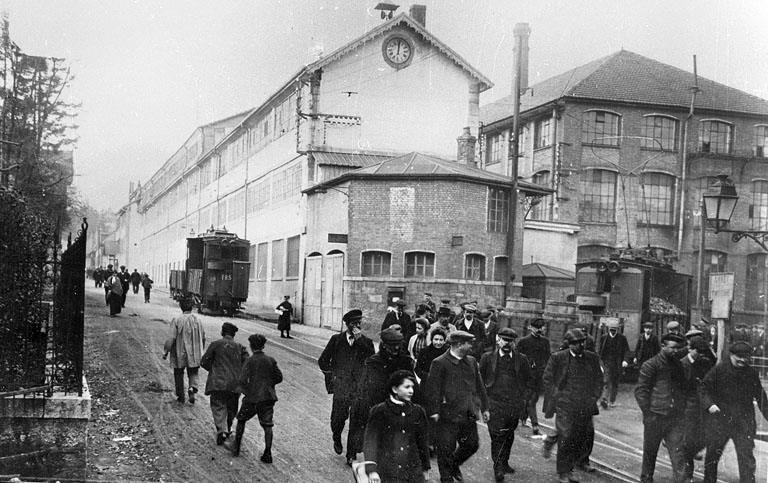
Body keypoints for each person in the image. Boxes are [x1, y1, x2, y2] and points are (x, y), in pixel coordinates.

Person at [425, 330, 489, 483]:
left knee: (472, 445)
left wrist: (485, 407)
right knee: (445, 450)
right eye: (469, 343)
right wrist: (434, 411)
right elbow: (432, 390)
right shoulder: (439, 363)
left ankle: (454, 464)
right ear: (459, 344)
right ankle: (447, 479)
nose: (472, 346)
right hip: (448, 416)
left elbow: (480, 386)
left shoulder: (472, 361)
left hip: (468, 413)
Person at [700, 341, 768, 483]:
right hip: (720, 421)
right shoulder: (719, 370)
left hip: (743, 423)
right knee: (713, 455)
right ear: (731, 355)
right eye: (739, 357)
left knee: (746, 457)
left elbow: (761, 398)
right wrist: (710, 404)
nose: (743, 360)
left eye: (746, 357)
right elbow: (703, 389)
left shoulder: (751, 373)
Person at [542, 329, 603, 483]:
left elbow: (599, 379)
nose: (581, 345)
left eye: (582, 342)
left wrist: (594, 396)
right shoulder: (558, 358)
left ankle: (573, 465)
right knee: (566, 436)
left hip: (585, 404)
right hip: (565, 404)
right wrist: (558, 396)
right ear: (569, 344)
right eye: (576, 343)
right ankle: (564, 471)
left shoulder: (591, 358)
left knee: (582, 436)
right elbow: (547, 379)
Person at [347, 327, 415, 466]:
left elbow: (411, 382)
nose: (396, 349)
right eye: (392, 346)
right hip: (374, 400)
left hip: (397, 401)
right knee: (361, 423)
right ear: (384, 345)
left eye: (398, 345)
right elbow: (371, 386)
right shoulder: (374, 362)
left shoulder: (405, 361)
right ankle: (352, 452)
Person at [318, 309, 375, 458]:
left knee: (356, 421)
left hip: (358, 387)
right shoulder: (336, 339)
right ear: (347, 324)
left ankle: (351, 454)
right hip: (341, 385)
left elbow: (372, 360)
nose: (357, 326)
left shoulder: (366, 342)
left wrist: (360, 340)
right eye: (354, 323)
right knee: (338, 418)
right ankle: (336, 436)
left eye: (359, 323)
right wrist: (332, 377)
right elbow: (323, 360)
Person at [479, 328, 534, 482]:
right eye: (504, 340)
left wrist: (525, 402)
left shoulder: (521, 359)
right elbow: (479, 381)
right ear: (498, 340)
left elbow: (530, 381)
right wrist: (483, 405)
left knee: (509, 434)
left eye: (510, 341)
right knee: (497, 435)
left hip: (514, 404)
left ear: (514, 342)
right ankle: (498, 468)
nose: (507, 343)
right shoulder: (487, 358)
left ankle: (504, 462)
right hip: (494, 403)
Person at [634, 332, 687, 483]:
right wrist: (648, 413)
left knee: (678, 451)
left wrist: (681, 409)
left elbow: (682, 388)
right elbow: (640, 392)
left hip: (674, 417)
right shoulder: (651, 365)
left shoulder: (677, 364)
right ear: (663, 346)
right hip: (655, 416)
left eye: (678, 348)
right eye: (672, 348)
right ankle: (646, 478)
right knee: (650, 452)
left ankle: (681, 480)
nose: (675, 351)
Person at [224, 334, 283, 463]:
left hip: (252, 398)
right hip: (268, 397)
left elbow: (242, 379)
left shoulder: (250, 361)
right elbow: (279, 377)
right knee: (267, 425)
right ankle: (267, 453)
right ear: (263, 346)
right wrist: (268, 384)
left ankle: (236, 447)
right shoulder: (270, 360)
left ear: (251, 346)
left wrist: (247, 389)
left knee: (241, 420)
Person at [363, 370, 430, 483]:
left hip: (412, 471)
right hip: (387, 470)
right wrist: (372, 470)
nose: (411, 391)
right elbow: (370, 441)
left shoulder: (417, 412)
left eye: (412, 387)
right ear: (394, 389)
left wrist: (425, 468)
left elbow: (422, 442)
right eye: (407, 387)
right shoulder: (380, 411)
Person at [200, 322, 249, 445]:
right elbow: (247, 365)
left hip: (218, 382)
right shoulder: (240, 347)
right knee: (232, 407)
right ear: (233, 334)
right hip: (234, 384)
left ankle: (221, 430)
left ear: (222, 332)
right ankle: (227, 428)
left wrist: (214, 371)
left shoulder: (215, 345)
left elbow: (204, 362)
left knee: (218, 405)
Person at [680, 335, 714, 482]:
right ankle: (688, 474)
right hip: (687, 408)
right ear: (689, 349)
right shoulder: (681, 364)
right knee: (687, 442)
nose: (700, 354)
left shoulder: (706, 363)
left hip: (703, 408)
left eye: (702, 352)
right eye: (698, 352)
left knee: (703, 439)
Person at [163, 298, 206, 404]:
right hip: (194, 352)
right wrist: (201, 350)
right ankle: (192, 388)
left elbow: (171, 338)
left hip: (180, 351)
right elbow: (203, 337)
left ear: (181, 307)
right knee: (193, 372)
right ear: (192, 307)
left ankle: (180, 395)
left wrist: (166, 351)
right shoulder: (198, 320)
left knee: (178, 373)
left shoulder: (177, 320)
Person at [517, 317, 550, 436]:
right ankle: (535, 424)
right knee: (530, 399)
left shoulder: (545, 342)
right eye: (536, 328)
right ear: (531, 328)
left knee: (533, 399)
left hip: (540, 376)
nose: (539, 330)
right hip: (527, 375)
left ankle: (523, 416)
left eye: (541, 327)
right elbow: (518, 357)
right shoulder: (523, 341)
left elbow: (548, 358)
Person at [597, 319, 629, 409]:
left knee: (615, 382)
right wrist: (600, 364)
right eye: (611, 329)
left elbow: (626, 350)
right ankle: (604, 399)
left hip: (617, 364)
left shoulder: (622, 338)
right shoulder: (604, 338)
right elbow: (599, 351)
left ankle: (612, 401)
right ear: (608, 329)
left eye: (614, 329)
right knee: (606, 381)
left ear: (617, 330)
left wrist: (625, 360)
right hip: (607, 363)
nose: (613, 331)